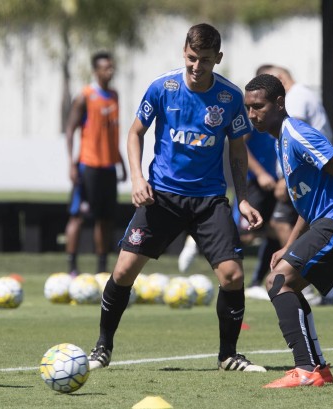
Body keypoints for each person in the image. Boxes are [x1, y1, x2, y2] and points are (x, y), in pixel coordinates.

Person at [87, 23, 266, 373]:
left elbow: (238, 153)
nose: (196, 67)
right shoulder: (162, 87)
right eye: (190, 58)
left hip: (209, 200)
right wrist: (138, 178)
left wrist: (242, 199)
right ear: (183, 53)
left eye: (204, 60)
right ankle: (102, 348)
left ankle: (228, 355)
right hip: (162, 198)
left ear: (219, 58)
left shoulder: (230, 98)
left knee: (232, 276)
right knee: (123, 271)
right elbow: (135, 133)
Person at [243, 73, 333, 388]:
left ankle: (306, 369)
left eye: (259, 107)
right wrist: (288, 245)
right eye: (249, 108)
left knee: (279, 280)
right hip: (328, 220)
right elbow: (308, 206)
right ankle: (317, 367)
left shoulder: (296, 132)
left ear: (279, 103)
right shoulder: (281, 140)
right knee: (282, 277)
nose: (253, 115)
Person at [258, 64, 333, 305]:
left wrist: (286, 178)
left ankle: (310, 284)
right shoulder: (301, 96)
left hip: (307, 175)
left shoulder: (297, 98)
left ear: (280, 79)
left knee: (282, 221)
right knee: (293, 220)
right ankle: (313, 284)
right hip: (304, 174)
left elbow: (300, 138)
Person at [65, 51, 126, 276]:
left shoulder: (114, 96)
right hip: (87, 165)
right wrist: (72, 163)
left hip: (108, 167)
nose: (110, 71)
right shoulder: (85, 96)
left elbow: (111, 134)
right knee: (78, 216)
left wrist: (121, 162)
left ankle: (101, 269)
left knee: (106, 219)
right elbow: (71, 131)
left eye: (111, 67)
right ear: (96, 70)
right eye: (105, 67)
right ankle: (72, 267)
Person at [234, 128, 281, 301]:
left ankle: (255, 283)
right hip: (254, 182)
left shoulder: (282, 112)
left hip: (275, 183)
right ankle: (196, 242)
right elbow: (239, 144)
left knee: (275, 230)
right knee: (245, 236)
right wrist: (260, 173)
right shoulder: (254, 113)